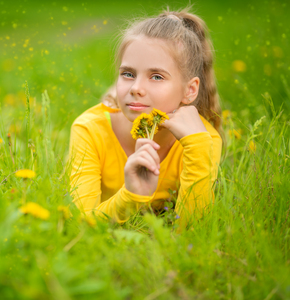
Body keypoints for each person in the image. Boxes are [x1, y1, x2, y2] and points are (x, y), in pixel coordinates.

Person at [68, 7, 223, 230]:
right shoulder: (90, 129)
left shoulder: (203, 139)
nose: (136, 88)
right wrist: (131, 197)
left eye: (157, 76)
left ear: (190, 90)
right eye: (128, 74)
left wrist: (197, 148)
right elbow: (82, 222)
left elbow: (193, 232)